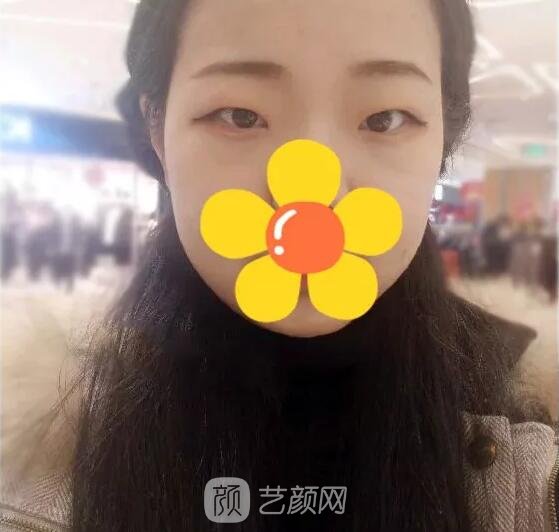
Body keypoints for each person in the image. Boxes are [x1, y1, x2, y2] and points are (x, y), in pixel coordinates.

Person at [1, 0, 558, 531]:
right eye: (240, 115)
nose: (315, 189)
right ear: (157, 131)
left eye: (385, 119)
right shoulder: (34, 452)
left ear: (442, 143)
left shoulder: (533, 436)